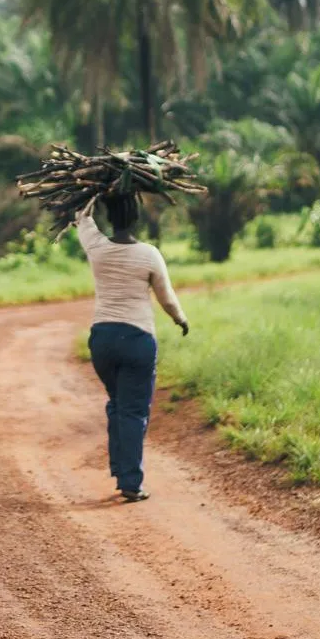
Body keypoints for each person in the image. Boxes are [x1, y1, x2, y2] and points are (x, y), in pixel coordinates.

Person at [75, 193, 189, 502]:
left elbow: (81, 219)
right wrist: (180, 319)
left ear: (110, 218)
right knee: (133, 411)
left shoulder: (97, 248)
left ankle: (120, 469)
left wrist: (93, 194)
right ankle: (130, 481)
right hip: (137, 341)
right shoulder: (149, 254)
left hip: (102, 341)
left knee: (118, 404)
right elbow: (166, 298)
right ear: (136, 217)